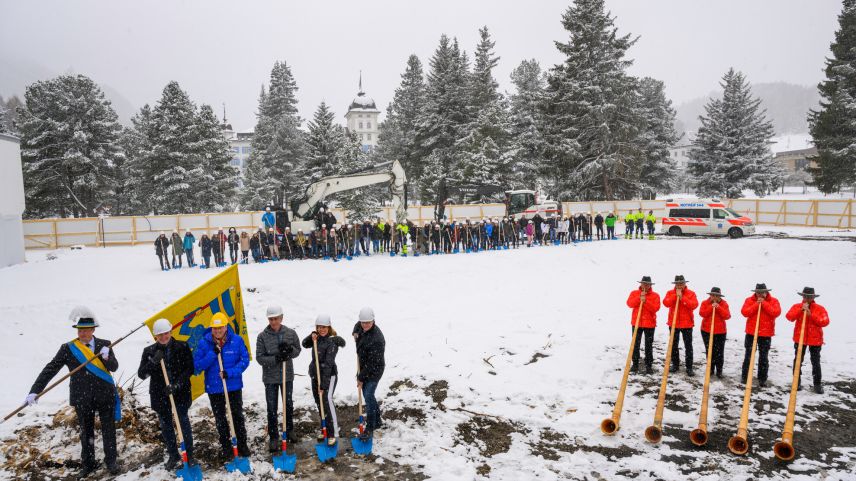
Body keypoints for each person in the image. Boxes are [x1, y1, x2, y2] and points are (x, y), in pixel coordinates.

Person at [26, 306, 120, 476]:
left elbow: (114, 367)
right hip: (82, 397)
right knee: (86, 432)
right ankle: (88, 464)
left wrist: (107, 357)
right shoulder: (68, 348)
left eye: (86, 330)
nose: (82, 334)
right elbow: (51, 369)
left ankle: (111, 462)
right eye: (80, 330)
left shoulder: (105, 344)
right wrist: (35, 390)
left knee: (108, 430)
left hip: (104, 394)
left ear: (93, 329)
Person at [137, 318, 196, 470]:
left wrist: (176, 385)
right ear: (155, 336)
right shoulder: (149, 351)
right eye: (159, 335)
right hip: (160, 395)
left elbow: (189, 369)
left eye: (166, 333)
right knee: (166, 426)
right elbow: (142, 374)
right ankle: (173, 455)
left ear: (171, 331)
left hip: (180, 393)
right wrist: (153, 362)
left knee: (183, 422)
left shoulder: (182, 346)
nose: (163, 337)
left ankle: (189, 455)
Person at [193, 312, 251, 462]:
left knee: (237, 415)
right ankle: (226, 447)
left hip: (233, 386)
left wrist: (230, 373)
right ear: (211, 328)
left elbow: (244, 361)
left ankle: (242, 444)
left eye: (220, 327)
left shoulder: (237, 340)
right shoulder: (204, 343)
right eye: (215, 328)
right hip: (214, 388)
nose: (218, 331)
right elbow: (197, 366)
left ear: (226, 327)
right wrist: (212, 354)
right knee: (220, 419)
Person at [256, 305, 302, 451]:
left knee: (288, 404)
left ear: (281, 318)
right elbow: (259, 358)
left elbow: (298, 350)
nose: (273, 322)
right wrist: (276, 358)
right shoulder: (262, 336)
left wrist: (289, 351)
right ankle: (274, 437)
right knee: (272, 408)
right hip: (270, 378)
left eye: (276, 319)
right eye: (271, 319)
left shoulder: (290, 333)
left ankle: (289, 430)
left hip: (286, 376)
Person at [302, 315, 346, 446]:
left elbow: (328, 364)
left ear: (329, 327)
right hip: (316, 375)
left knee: (326, 401)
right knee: (319, 402)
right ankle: (324, 429)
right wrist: (312, 337)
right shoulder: (317, 339)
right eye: (319, 327)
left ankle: (332, 433)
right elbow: (304, 344)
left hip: (329, 376)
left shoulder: (332, 342)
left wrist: (323, 384)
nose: (322, 330)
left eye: (324, 327)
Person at [786, 287, 830, 393]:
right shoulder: (797, 306)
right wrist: (800, 309)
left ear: (813, 297)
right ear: (802, 296)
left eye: (809, 297)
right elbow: (789, 317)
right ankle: (796, 382)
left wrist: (811, 315)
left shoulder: (819, 308)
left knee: (815, 362)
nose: (807, 298)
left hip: (815, 340)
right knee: (797, 361)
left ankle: (817, 384)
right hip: (799, 339)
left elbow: (825, 321)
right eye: (805, 296)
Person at [352, 307, 386, 439]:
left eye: (368, 323)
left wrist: (361, 377)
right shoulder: (361, 326)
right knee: (369, 395)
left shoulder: (377, 339)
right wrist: (355, 332)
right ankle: (377, 421)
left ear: (373, 321)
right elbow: (357, 325)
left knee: (368, 394)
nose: (365, 325)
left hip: (374, 369)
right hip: (363, 366)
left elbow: (372, 364)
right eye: (363, 322)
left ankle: (371, 426)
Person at [740, 283, 782, 387]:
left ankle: (762, 378)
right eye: (758, 292)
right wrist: (756, 304)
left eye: (762, 292)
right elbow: (745, 312)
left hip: (766, 333)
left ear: (766, 292)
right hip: (751, 332)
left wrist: (764, 303)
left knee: (764, 357)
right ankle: (745, 376)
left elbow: (776, 312)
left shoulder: (774, 301)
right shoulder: (749, 300)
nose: (759, 294)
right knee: (748, 355)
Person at [663, 275, 699, 376]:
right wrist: (675, 296)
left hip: (687, 324)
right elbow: (666, 303)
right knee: (674, 345)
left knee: (688, 346)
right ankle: (675, 364)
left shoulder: (691, 293)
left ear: (684, 284)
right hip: (673, 323)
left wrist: (682, 298)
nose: (679, 286)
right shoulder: (670, 293)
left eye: (681, 284)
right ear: (675, 284)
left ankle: (689, 367)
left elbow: (694, 305)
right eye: (677, 284)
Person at [626, 276, 660, 374]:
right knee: (635, 344)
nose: (645, 285)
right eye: (643, 283)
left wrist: (646, 301)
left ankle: (648, 365)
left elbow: (655, 308)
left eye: (647, 284)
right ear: (640, 284)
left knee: (648, 345)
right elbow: (629, 304)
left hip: (650, 324)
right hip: (636, 322)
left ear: (650, 285)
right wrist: (639, 298)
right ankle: (635, 364)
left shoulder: (655, 295)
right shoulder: (634, 293)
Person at [698, 287, 731, 378]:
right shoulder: (705, 303)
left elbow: (727, 316)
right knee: (709, 350)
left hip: (720, 332)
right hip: (706, 331)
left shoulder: (724, 304)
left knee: (719, 352)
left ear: (720, 296)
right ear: (710, 295)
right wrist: (710, 307)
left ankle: (719, 371)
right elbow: (702, 313)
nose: (715, 297)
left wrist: (718, 307)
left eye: (717, 295)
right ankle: (710, 369)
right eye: (713, 295)